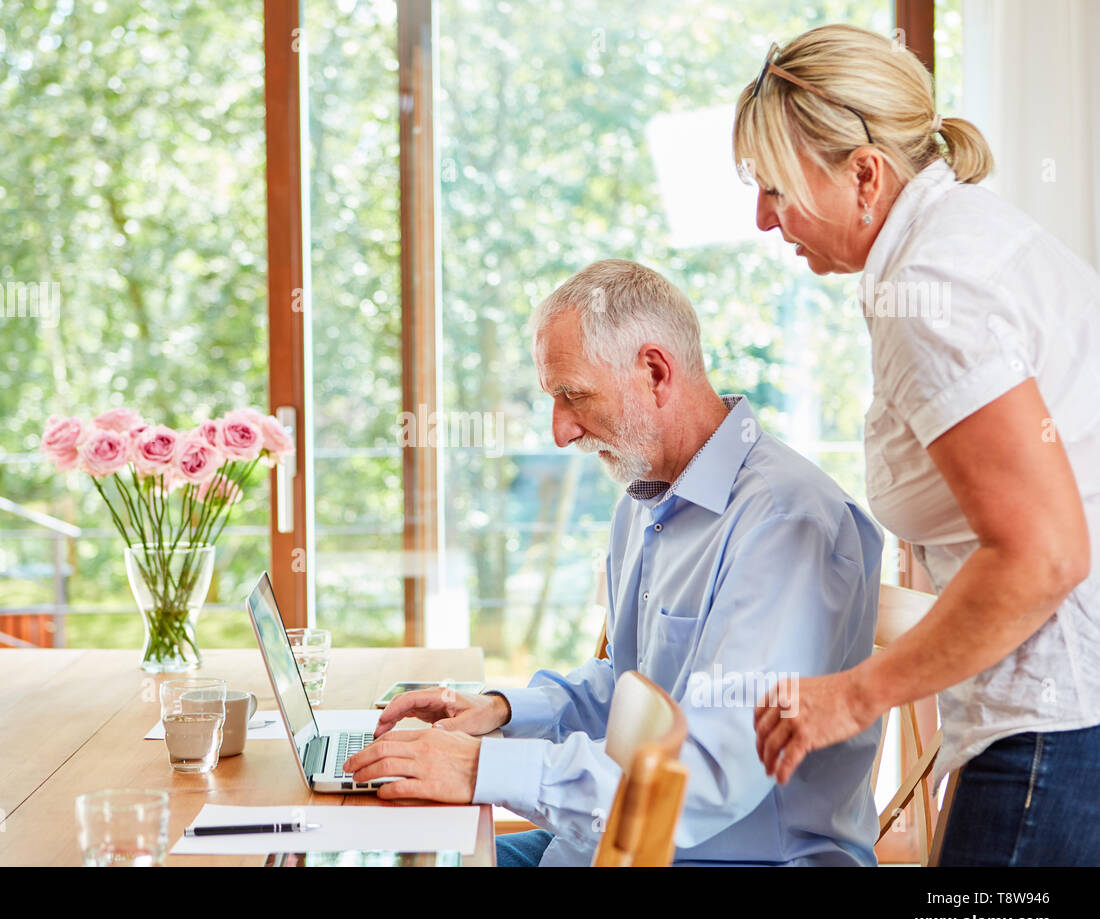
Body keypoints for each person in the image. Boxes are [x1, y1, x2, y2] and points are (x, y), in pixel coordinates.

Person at [344, 258, 884, 866]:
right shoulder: (646, 498)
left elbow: (710, 773)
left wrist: (483, 768)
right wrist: (501, 711)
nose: (561, 431)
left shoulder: (788, 523)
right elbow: (634, 685)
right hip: (605, 846)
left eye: (573, 395)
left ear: (655, 372)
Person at [733, 24, 1100, 865]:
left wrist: (855, 696)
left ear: (864, 174)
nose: (762, 220)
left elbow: (1044, 556)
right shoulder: (958, 242)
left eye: (777, 189)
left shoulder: (932, 290)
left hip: (1056, 721)